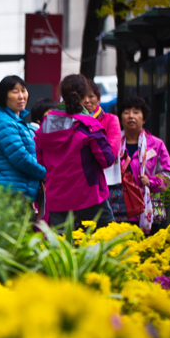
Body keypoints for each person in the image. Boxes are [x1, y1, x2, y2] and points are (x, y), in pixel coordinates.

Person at [35, 75, 116, 229]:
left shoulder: (46, 123)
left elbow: (41, 160)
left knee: (62, 247)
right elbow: (106, 159)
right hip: (89, 196)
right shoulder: (89, 124)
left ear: (62, 96)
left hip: (57, 197)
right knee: (104, 242)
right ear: (84, 96)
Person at [0, 76, 46, 211]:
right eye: (15, 91)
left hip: (19, 192)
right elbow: (21, 158)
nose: (21, 96)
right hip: (10, 193)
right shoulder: (3, 122)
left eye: (23, 90)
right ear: (3, 96)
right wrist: (47, 174)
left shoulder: (15, 120)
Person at [115, 96, 170, 233]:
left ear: (144, 118)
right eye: (126, 112)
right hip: (119, 211)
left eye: (136, 112)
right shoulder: (113, 144)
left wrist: (151, 182)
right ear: (121, 118)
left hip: (149, 212)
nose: (131, 116)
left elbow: (168, 175)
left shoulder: (156, 144)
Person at [82, 82, 123, 192]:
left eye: (91, 96)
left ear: (98, 99)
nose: (86, 100)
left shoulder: (111, 120)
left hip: (105, 182)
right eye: (83, 97)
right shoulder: (74, 121)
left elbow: (111, 152)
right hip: (80, 181)